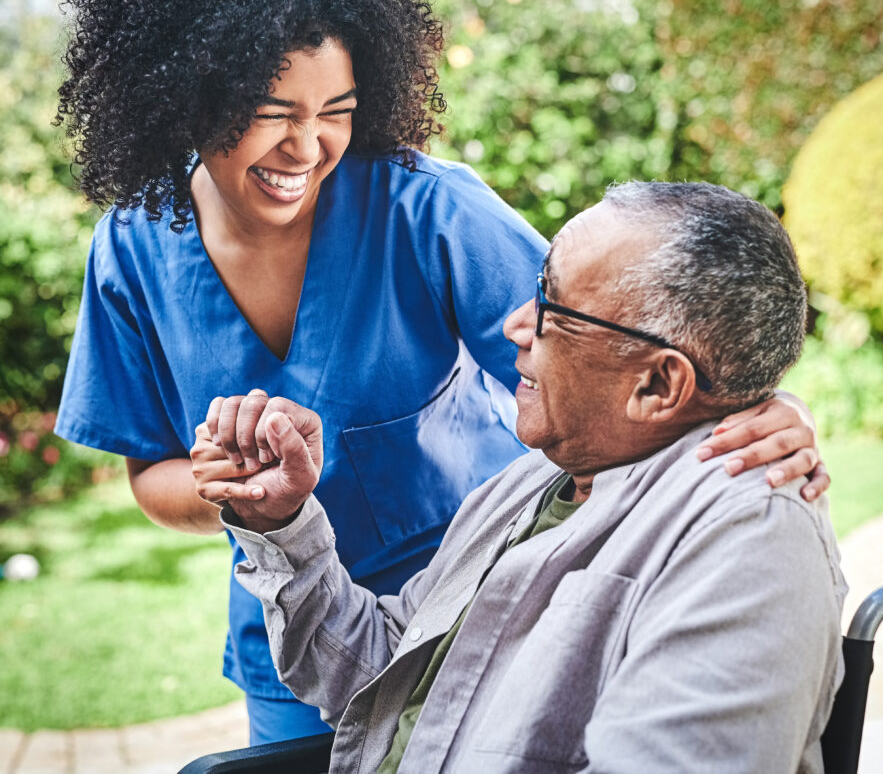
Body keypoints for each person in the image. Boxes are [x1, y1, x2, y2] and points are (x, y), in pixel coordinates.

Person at [53, 0, 827, 745]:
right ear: (189, 93)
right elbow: (151, 475)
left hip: (482, 606)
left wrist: (758, 406)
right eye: (273, 113)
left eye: (336, 112)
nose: (307, 149)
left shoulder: (426, 209)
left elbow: (614, 355)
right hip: (298, 626)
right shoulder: (130, 249)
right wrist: (240, 490)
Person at [208, 182, 846, 774]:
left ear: (656, 385)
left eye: (554, 306)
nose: (514, 324)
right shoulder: (532, 481)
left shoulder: (749, 542)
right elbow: (381, 675)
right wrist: (283, 523)